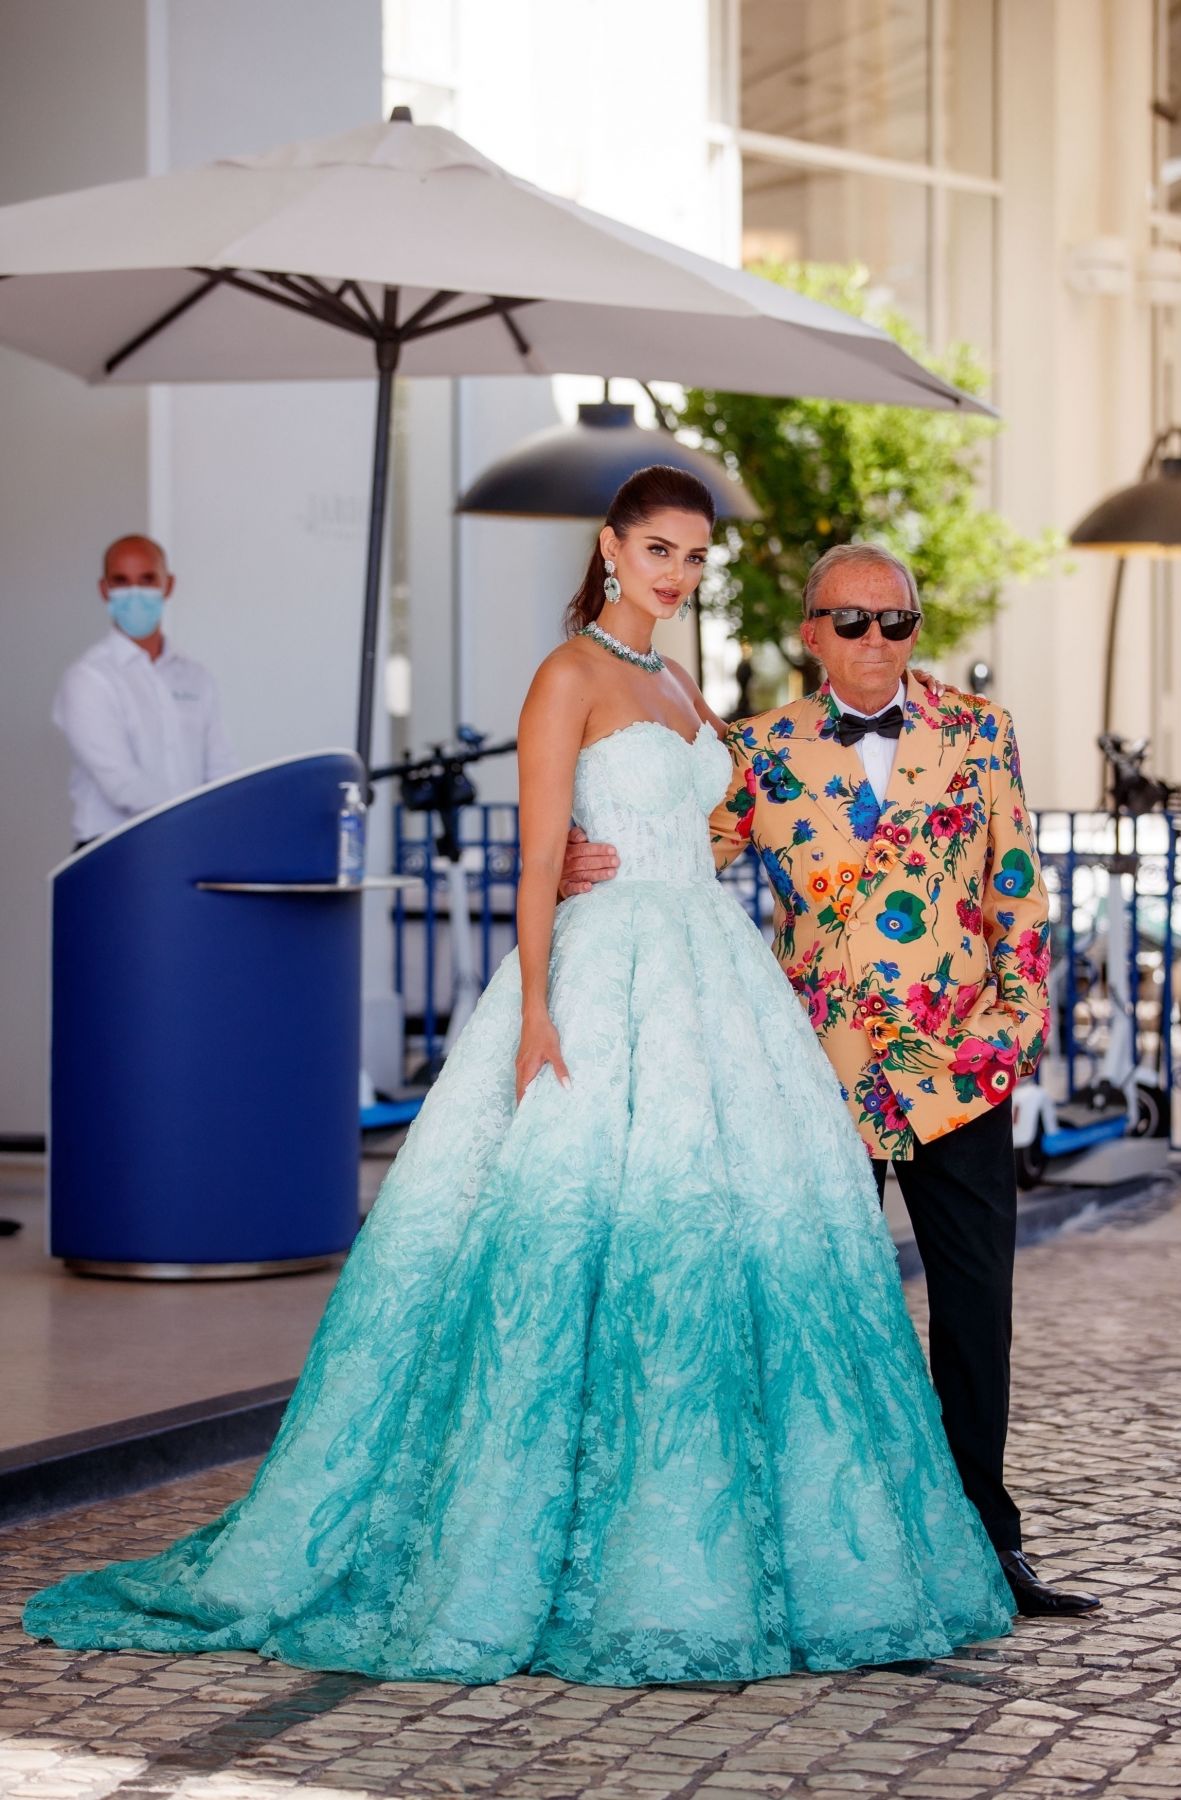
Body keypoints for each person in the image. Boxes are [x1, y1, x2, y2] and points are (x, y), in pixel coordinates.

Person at [25, 469, 1014, 1686]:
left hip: (720, 989)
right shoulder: (568, 676)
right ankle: (569, 1547)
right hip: (604, 985)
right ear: (610, 545)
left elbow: (717, 826)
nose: (678, 573)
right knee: (576, 1259)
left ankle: (789, 1539)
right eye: (659, 549)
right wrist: (539, 1009)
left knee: (734, 1260)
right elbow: (540, 861)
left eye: (695, 558)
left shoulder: (681, 686)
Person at [562, 541, 1099, 1622]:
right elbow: (672, 854)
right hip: (813, 1083)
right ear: (811, 635)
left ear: (915, 628)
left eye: (893, 620)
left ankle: (988, 1543)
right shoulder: (757, 750)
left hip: (959, 1075)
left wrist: (1010, 1035)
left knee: (975, 1316)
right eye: (849, 622)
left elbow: (1018, 896)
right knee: (821, 1316)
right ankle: (835, 1555)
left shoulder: (980, 734)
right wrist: (582, 854)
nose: (874, 641)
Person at [52, 535, 237, 849]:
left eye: (147, 579)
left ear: (168, 585)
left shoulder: (195, 677)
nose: (134, 593)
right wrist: (195, 823)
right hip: (113, 849)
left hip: (188, 846)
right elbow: (121, 783)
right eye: (121, 581)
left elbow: (221, 770)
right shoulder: (88, 677)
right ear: (104, 590)